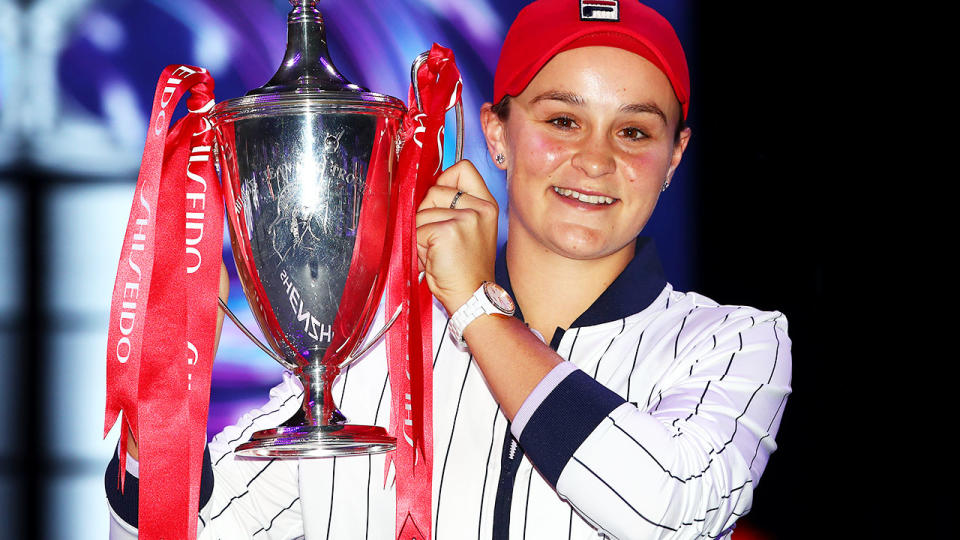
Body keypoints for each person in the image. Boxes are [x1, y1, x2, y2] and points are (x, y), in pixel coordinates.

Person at [107, 1, 792, 538]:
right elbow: (183, 529)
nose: (596, 158)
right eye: (561, 120)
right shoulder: (381, 348)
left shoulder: (735, 342)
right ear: (496, 132)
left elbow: (666, 510)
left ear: (674, 158)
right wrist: (161, 389)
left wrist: (473, 309)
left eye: (635, 131)